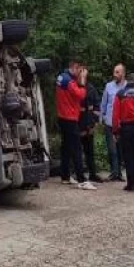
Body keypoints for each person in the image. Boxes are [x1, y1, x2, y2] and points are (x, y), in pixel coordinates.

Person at [56, 59, 95, 190]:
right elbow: (81, 95)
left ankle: (65, 176)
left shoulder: (62, 77)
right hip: (70, 118)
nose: (81, 73)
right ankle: (82, 180)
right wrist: (83, 80)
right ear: (74, 67)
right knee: (77, 148)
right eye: (80, 70)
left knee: (66, 147)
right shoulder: (70, 81)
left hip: (62, 117)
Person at [101, 63, 127, 182]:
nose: (114, 74)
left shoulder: (127, 87)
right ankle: (114, 173)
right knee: (112, 150)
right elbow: (104, 103)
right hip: (109, 123)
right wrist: (102, 118)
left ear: (123, 73)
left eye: (117, 72)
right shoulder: (108, 86)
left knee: (121, 149)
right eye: (114, 72)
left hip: (122, 124)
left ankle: (120, 173)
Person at [79, 67, 104, 183]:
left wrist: (94, 122)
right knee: (77, 151)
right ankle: (78, 175)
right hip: (78, 123)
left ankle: (92, 174)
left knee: (90, 151)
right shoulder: (74, 87)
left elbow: (97, 106)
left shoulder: (91, 88)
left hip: (89, 123)